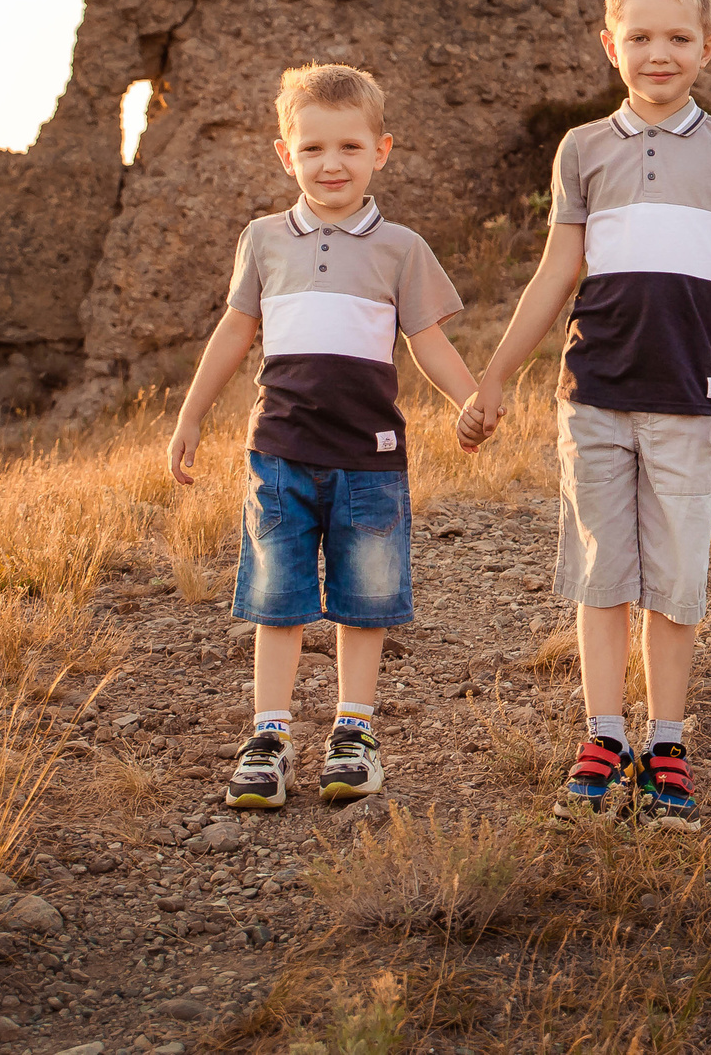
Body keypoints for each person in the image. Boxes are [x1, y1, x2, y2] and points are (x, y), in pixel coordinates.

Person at [459, 0, 711, 830]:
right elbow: (556, 269)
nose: (658, 52)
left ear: (707, 47)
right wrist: (496, 374)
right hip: (594, 393)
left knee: (675, 576)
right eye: (639, 36)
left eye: (678, 37)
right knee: (602, 573)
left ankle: (667, 741)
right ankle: (604, 733)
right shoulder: (584, 149)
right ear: (610, 45)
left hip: (689, 394)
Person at [165, 63, 481, 810]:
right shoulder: (263, 239)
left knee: (364, 599)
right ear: (285, 154)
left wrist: (472, 397)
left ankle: (354, 731)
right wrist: (191, 413)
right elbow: (235, 331)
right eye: (311, 149)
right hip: (278, 451)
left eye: (348, 146)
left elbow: (427, 341)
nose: (330, 164)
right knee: (278, 599)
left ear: (381, 150)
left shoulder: (401, 247)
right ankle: (268, 736)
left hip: (370, 457)